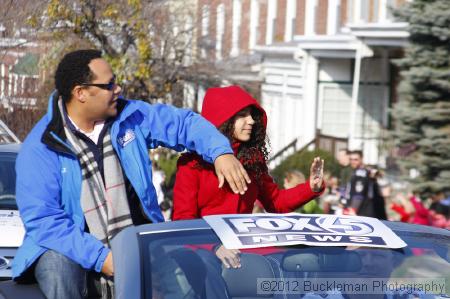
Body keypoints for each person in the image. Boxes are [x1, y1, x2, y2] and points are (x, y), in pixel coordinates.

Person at [12, 50, 251, 299]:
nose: (118, 90)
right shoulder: (40, 147)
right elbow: (45, 222)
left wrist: (221, 153)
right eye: (109, 85)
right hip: (74, 248)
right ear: (80, 93)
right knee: (57, 266)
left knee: (190, 273)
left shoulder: (131, 117)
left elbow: (185, 124)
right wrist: (102, 257)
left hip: (139, 242)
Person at [172, 85, 325, 268]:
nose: (251, 121)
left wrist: (311, 188)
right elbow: (183, 221)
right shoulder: (190, 165)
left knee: (305, 262)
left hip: (245, 249)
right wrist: (213, 247)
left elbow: (276, 202)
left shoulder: (253, 160)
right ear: (223, 119)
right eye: (242, 115)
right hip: (205, 253)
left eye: (252, 115)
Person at [344, 150, 387, 219]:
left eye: (356, 159)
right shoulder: (359, 172)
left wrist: (353, 210)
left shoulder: (360, 173)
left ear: (361, 159)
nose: (353, 162)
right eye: (351, 159)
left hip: (362, 212)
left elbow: (358, 195)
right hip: (364, 212)